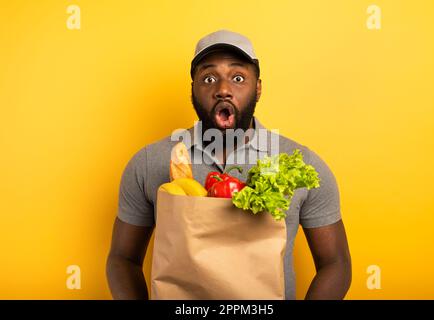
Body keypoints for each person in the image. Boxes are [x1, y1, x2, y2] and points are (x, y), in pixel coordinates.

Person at [106, 29, 352, 300]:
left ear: (258, 88)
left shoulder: (300, 162)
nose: (222, 89)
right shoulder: (149, 162)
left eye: (238, 78)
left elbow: (335, 263)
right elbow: (122, 259)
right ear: (192, 90)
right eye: (208, 78)